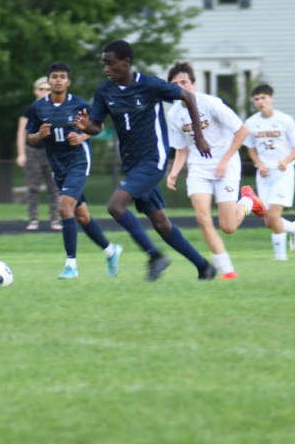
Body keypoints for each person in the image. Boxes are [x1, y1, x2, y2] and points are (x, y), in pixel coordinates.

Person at [75, 39, 233, 281]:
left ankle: (155, 256)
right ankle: (204, 267)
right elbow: (96, 125)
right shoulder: (104, 91)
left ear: (125, 63)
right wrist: (88, 127)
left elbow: (188, 97)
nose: (106, 69)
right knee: (161, 223)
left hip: (153, 161)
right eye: (104, 64)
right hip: (132, 165)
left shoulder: (149, 85)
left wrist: (199, 136)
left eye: (111, 63)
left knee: (115, 206)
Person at [165, 61, 265, 280]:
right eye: (175, 84)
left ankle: (248, 201)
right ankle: (227, 270)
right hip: (199, 167)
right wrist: (173, 172)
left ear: (193, 84)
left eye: (184, 82)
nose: (181, 87)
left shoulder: (211, 104)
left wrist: (224, 161)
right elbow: (181, 150)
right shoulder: (173, 115)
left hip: (226, 163)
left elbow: (242, 131)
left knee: (228, 226)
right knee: (202, 218)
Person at [27, 61, 123, 278]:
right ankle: (111, 251)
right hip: (58, 166)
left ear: (68, 82)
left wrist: (82, 136)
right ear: (48, 81)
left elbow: (98, 127)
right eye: (54, 76)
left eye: (62, 76)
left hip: (78, 161)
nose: (58, 80)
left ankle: (71, 266)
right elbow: (31, 139)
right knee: (81, 215)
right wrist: (38, 136)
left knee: (64, 208)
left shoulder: (79, 105)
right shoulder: (38, 108)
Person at [243, 84, 295, 261]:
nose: (260, 102)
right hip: (264, 174)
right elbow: (251, 148)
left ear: (271, 99)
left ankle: (280, 257)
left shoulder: (285, 120)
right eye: (256, 99)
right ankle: (292, 228)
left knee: (274, 215)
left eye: (263, 98)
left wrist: (286, 161)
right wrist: (259, 164)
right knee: (268, 220)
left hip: (283, 173)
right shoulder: (251, 122)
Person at [16, 77, 62, 231]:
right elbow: (22, 132)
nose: (45, 92)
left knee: (54, 187)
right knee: (33, 187)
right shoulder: (30, 109)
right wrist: (21, 154)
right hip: (33, 151)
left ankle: (55, 219)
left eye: (48, 89)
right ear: (35, 91)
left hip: (52, 151)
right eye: (41, 89)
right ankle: (33, 219)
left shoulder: (57, 108)